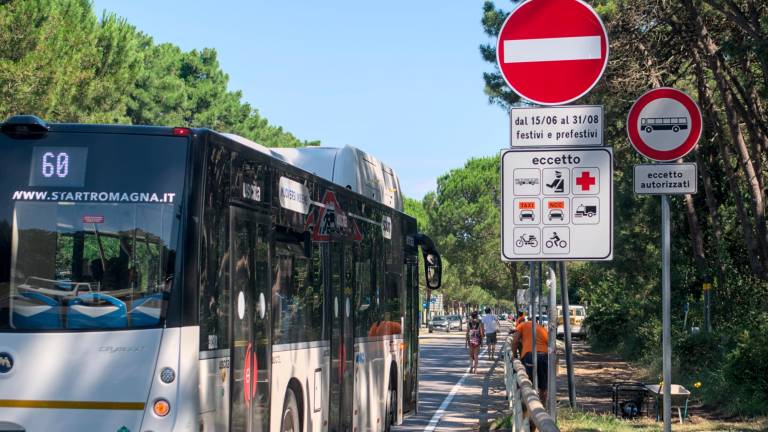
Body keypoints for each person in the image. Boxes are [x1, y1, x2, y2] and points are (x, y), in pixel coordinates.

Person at [512, 317, 549, 405]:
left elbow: (515, 341)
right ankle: (542, 408)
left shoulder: (521, 325)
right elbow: (550, 344)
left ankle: (527, 409)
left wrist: (514, 356)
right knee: (543, 386)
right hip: (544, 356)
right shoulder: (542, 328)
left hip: (529, 355)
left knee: (527, 384)